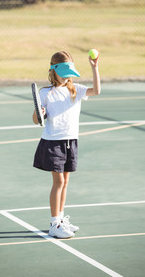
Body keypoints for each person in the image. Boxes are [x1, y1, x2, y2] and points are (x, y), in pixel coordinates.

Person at [32, 51, 101, 238]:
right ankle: (54, 223)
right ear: (53, 70)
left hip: (70, 141)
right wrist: (41, 111)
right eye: (63, 72)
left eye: (69, 72)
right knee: (59, 181)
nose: (67, 76)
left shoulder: (75, 89)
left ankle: (61, 220)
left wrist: (94, 68)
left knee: (66, 182)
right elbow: (35, 119)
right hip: (52, 142)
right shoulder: (45, 92)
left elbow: (96, 91)